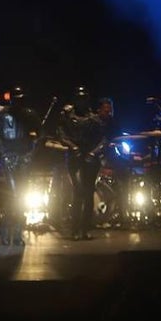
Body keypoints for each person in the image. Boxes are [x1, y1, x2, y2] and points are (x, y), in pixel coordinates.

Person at [0, 85, 38, 246]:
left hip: (24, 156)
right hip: (9, 156)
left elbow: (39, 134)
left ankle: (17, 233)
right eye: (15, 97)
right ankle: (6, 231)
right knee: (12, 194)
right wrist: (3, 153)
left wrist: (30, 152)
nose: (18, 100)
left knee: (22, 195)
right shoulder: (1, 113)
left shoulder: (30, 114)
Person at [59, 85, 109, 240]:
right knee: (78, 192)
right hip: (75, 158)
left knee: (88, 194)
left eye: (84, 98)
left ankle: (85, 228)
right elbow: (61, 133)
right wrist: (72, 147)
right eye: (79, 98)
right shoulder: (67, 115)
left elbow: (104, 139)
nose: (81, 101)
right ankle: (75, 229)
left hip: (89, 159)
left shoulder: (94, 119)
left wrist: (93, 153)